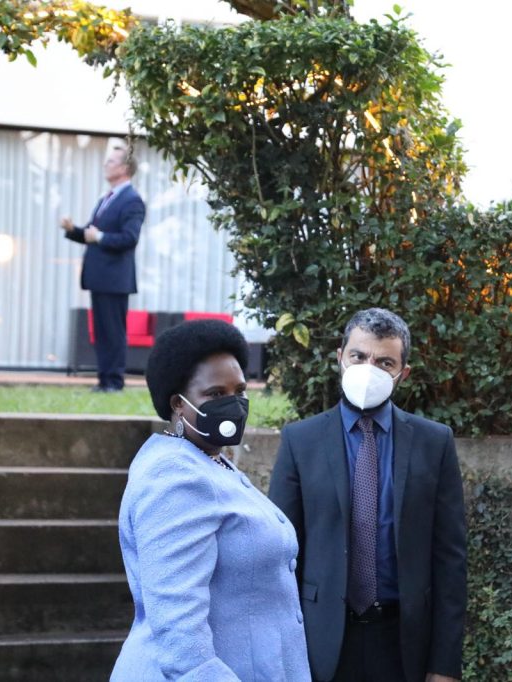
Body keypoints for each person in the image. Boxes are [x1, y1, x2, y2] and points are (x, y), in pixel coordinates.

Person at [268, 308, 467, 682]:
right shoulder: (300, 441)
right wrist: (281, 654)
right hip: (320, 643)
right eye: (359, 356)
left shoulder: (434, 443)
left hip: (403, 643)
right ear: (340, 357)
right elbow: (280, 556)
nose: (368, 369)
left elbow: (450, 561)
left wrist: (444, 665)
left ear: (402, 374)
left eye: (384, 362)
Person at [111, 319, 311, 681]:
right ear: (178, 404)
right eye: (216, 394)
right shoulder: (176, 479)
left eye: (239, 390)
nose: (233, 404)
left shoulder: (209, 461)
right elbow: (182, 641)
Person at [60, 143, 145, 393]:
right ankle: (104, 380)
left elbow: (129, 238)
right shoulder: (106, 199)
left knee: (113, 332)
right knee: (102, 332)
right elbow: (91, 234)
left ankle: (114, 382)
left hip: (115, 278)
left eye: (111, 161)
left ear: (125, 168)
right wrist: (72, 230)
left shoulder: (132, 200)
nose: (105, 165)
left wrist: (99, 236)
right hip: (99, 277)